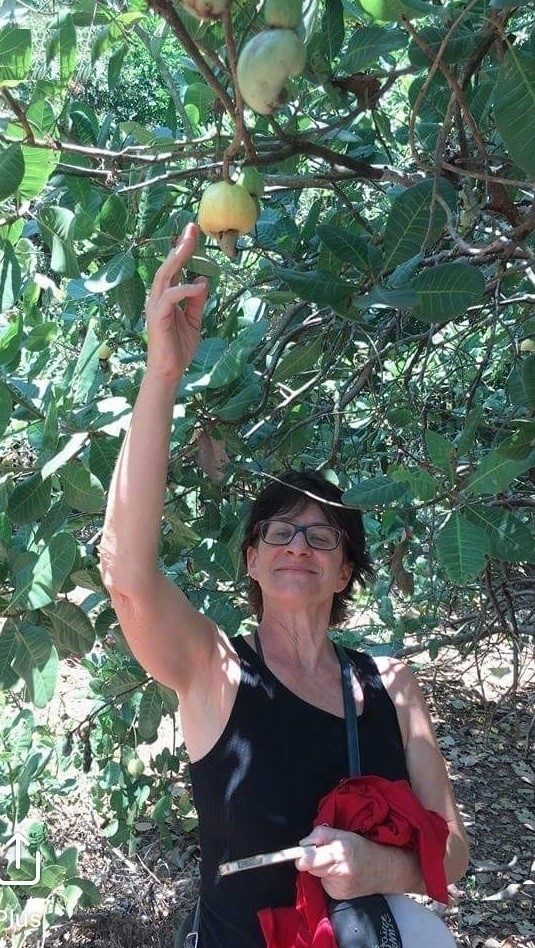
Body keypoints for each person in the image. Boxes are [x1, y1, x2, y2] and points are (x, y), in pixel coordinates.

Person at [100, 223, 470, 948]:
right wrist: (162, 373)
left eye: (321, 536)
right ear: (251, 560)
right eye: (278, 531)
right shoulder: (215, 671)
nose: (298, 544)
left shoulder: (391, 686)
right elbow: (126, 573)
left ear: (344, 570)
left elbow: (450, 851)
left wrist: (379, 866)